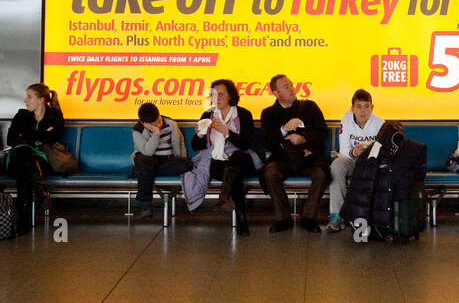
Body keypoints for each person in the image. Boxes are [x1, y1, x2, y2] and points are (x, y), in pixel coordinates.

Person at [259, 73, 329, 233]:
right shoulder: (268, 113)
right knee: (270, 172)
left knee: (321, 174)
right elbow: (267, 142)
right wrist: (283, 130)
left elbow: (322, 133)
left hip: (308, 158)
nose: (291, 88)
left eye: (291, 85)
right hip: (283, 160)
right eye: (286, 87)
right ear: (276, 93)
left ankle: (309, 218)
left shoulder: (309, 107)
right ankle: (283, 218)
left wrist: (303, 139)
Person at [188, 79, 258, 236]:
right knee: (233, 173)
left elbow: (246, 144)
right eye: (213, 95)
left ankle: (225, 197)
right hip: (217, 162)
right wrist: (199, 134)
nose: (216, 98)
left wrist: (227, 131)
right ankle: (240, 217)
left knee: (238, 158)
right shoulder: (207, 114)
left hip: (242, 158)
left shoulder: (244, 114)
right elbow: (195, 146)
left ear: (230, 96)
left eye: (221, 94)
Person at [5, 82, 65, 235]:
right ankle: (41, 192)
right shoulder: (22, 115)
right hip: (20, 159)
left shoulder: (54, 115)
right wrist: (40, 135)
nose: (25, 100)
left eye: (29, 97)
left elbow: (54, 137)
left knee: (24, 168)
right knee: (24, 154)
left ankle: (22, 220)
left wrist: (25, 136)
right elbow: (11, 139)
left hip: (41, 161)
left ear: (41, 100)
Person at [327, 89, 385, 233]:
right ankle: (337, 216)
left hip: (372, 163)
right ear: (353, 108)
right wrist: (354, 152)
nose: (363, 111)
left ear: (372, 107)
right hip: (352, 160)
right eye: (359, 106)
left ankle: (372, 216)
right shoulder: (345, 121)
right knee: (336, 166)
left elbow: (384, 150)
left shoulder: (380, 123)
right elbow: (344, 150)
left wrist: (368, 153)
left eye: (366, 106)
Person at [131, 102, 189, 218]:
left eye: (158, 121)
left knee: (186, 164)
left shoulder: (170, 124)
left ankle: (143, 173)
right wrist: (156, 133)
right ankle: (145, 204)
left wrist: (181, 158)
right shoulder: (138, 130)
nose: (158, 125)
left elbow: (180, 142)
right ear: (144, 123)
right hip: (147, 158)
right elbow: (147, 152)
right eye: (154, 124)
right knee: (145, 162)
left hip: (166, 161)